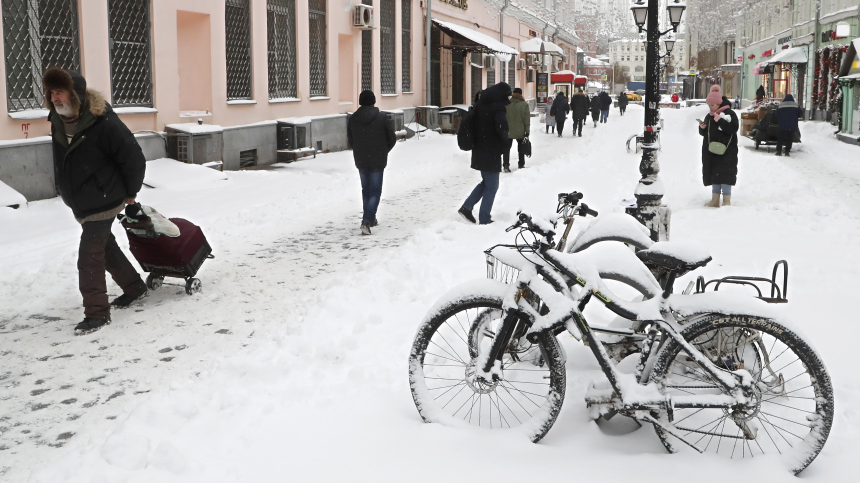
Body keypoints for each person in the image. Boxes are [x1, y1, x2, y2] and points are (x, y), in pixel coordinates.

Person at [42, 67, 147, 335]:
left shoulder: (104, 122)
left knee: (89, 256)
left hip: (106, 197)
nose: (55, 98)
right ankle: (135, 287)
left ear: (75, 94)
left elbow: (133, 158)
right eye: (52, 92)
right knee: (106, 247)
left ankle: (97, 314)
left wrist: (131, 193)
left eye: (60, 92)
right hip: (81, 200)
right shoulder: (57, 120)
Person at [459, 82, 511, 225]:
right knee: (492, 186)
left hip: (480, 148)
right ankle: (484, 218)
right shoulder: (497, 107)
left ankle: (466, 207)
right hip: (491, 150)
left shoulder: (481, 103)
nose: (508, 99)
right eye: (508, 96)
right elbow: (502, 128)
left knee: (486, 183)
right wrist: (506, 141)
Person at [347, 90, 397, 235]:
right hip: (378, 159)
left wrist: (359, 150)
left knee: (366, 190)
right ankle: (367, 220)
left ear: (360, 102)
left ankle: (371, 217)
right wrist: (383, 150)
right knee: (375, 191)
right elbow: (392, 138)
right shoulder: (382, 118)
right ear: (374, 101)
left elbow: (351, 140)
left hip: (361, 159)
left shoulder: (353, 119)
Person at [698, 85, 739, 207]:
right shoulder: (709, 115)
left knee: (726, 174)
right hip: (712, 151)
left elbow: (733, 128)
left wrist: (720, 120)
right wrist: (702, 128)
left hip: (727, 151)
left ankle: (726, 200)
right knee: (714, 173)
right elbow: (705, 134)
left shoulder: (729, 113)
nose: (710, 107)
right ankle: (715, 200)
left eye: (712, 105)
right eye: (709, 105)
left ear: (718, 103)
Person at [504, 87, 530, 171]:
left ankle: (506, 165)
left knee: (506, 148)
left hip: (508, 130)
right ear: (521, 94)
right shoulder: (524, 104)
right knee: (521, 148)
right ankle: (521, 164)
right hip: (520, 130)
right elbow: (526, 119)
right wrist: (527, 131)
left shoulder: (506, 104)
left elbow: (503, 117)